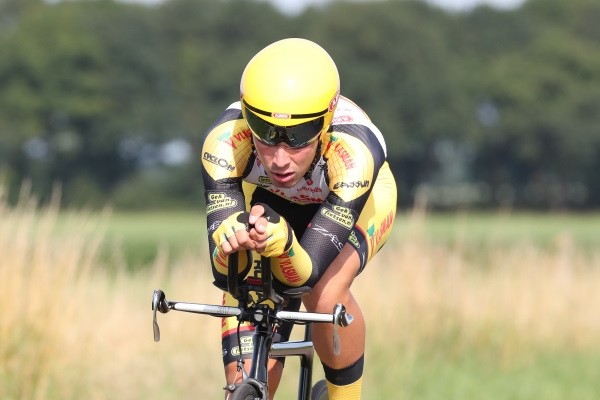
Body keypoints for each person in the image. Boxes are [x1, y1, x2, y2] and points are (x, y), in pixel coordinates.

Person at [200, 37, 397, 400]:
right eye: (265, 134)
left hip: (351, 203)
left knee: (324, 296)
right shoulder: (225, 143)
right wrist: (232, 246)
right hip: (264, 205)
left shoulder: (353, 153)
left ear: (326, 120)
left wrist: (286, 246)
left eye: (299, 137)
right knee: (247, 296)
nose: (279, 159)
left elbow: (301, 279)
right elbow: (223, 274)